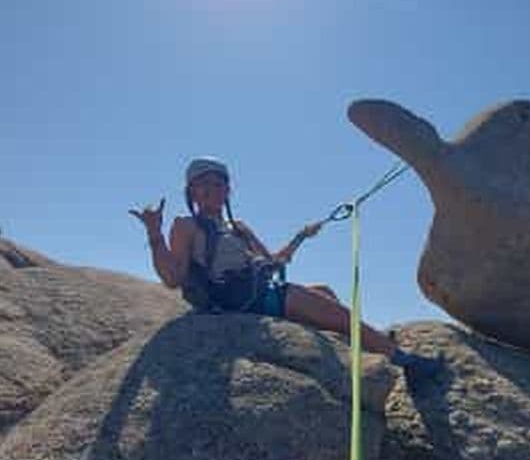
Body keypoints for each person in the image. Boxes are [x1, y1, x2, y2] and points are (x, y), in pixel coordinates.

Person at [130, 157, 441, 385]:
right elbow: (172, 278)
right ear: (192, 192)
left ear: (228, 190)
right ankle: (405, 362)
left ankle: (361, 345)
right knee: (336, 313)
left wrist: (301, 237)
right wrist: (154, 233)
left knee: (325, 293)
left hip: (259, 293)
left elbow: (273, 262)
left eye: (218, 183)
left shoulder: (239, 228)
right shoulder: (185, 225)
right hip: (236, 301)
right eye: (203, 184)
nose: (211, 189)